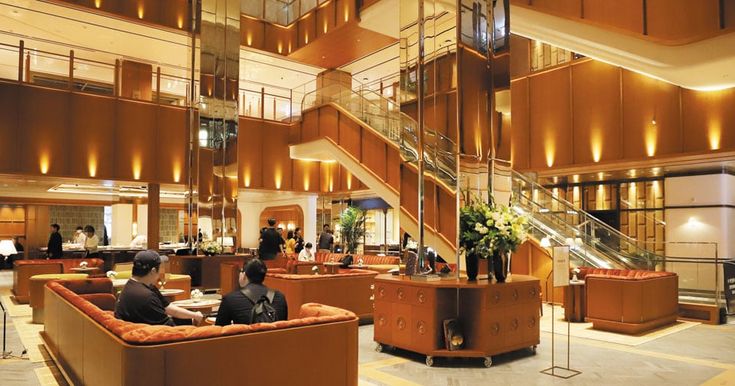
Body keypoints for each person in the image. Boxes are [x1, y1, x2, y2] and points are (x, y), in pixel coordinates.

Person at [116, 250, 203, 326]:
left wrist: (193, 315)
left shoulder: (134, 285)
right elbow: (168, 327)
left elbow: (167, 307)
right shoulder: (146, 297)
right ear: (153, 271)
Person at [215, 259, 287, 326]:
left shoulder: (230, 299)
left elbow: (219, 330)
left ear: (244, 275)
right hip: (276, 339)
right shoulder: (280, 297)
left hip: (246, 339)